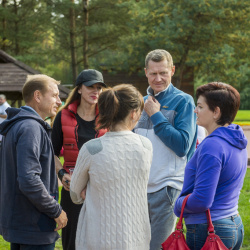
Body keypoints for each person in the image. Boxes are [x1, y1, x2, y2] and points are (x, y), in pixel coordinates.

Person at [70, 84, 153, 250]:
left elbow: (74, 194)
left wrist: (88, 190)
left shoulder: (92, 148)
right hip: (136, 237)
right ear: (134, 113)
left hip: (99, 237)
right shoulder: (145, 145)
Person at [134, 49, 197, 249]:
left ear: (172, 70)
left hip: (166, 189)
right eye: (153, 73)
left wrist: (156, 115)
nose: (158, 78)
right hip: (139, 190)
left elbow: (182, 146)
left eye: (163, 72)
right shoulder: (139, 102)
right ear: (146, 72)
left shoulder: (183, 101)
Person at [174, 82, 247, 250]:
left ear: (216, 112)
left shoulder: (213, 146)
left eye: (200, 106)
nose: (195, 111)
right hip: (233, 223)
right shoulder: (236, 138)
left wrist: (178, 205)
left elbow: (202, 200)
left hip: (209, 229)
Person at [0, 75, 68, 250]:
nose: (59, 101)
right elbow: (28, 179)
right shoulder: (31, 128)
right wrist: (56, 210)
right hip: (34, 226)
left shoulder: (18, 125)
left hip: (23, 223)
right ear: (37, 96)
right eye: (54, 95)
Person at [51, 69, 107, 250]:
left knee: (99, 241)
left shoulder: (108, 117)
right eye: (90, 86)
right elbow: (51, 153)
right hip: (72, 189)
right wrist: (62, 174)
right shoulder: (63, 115)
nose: (95, 91)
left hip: (101, 190)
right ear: (79, 89)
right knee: (71, 241)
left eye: (99, 87)